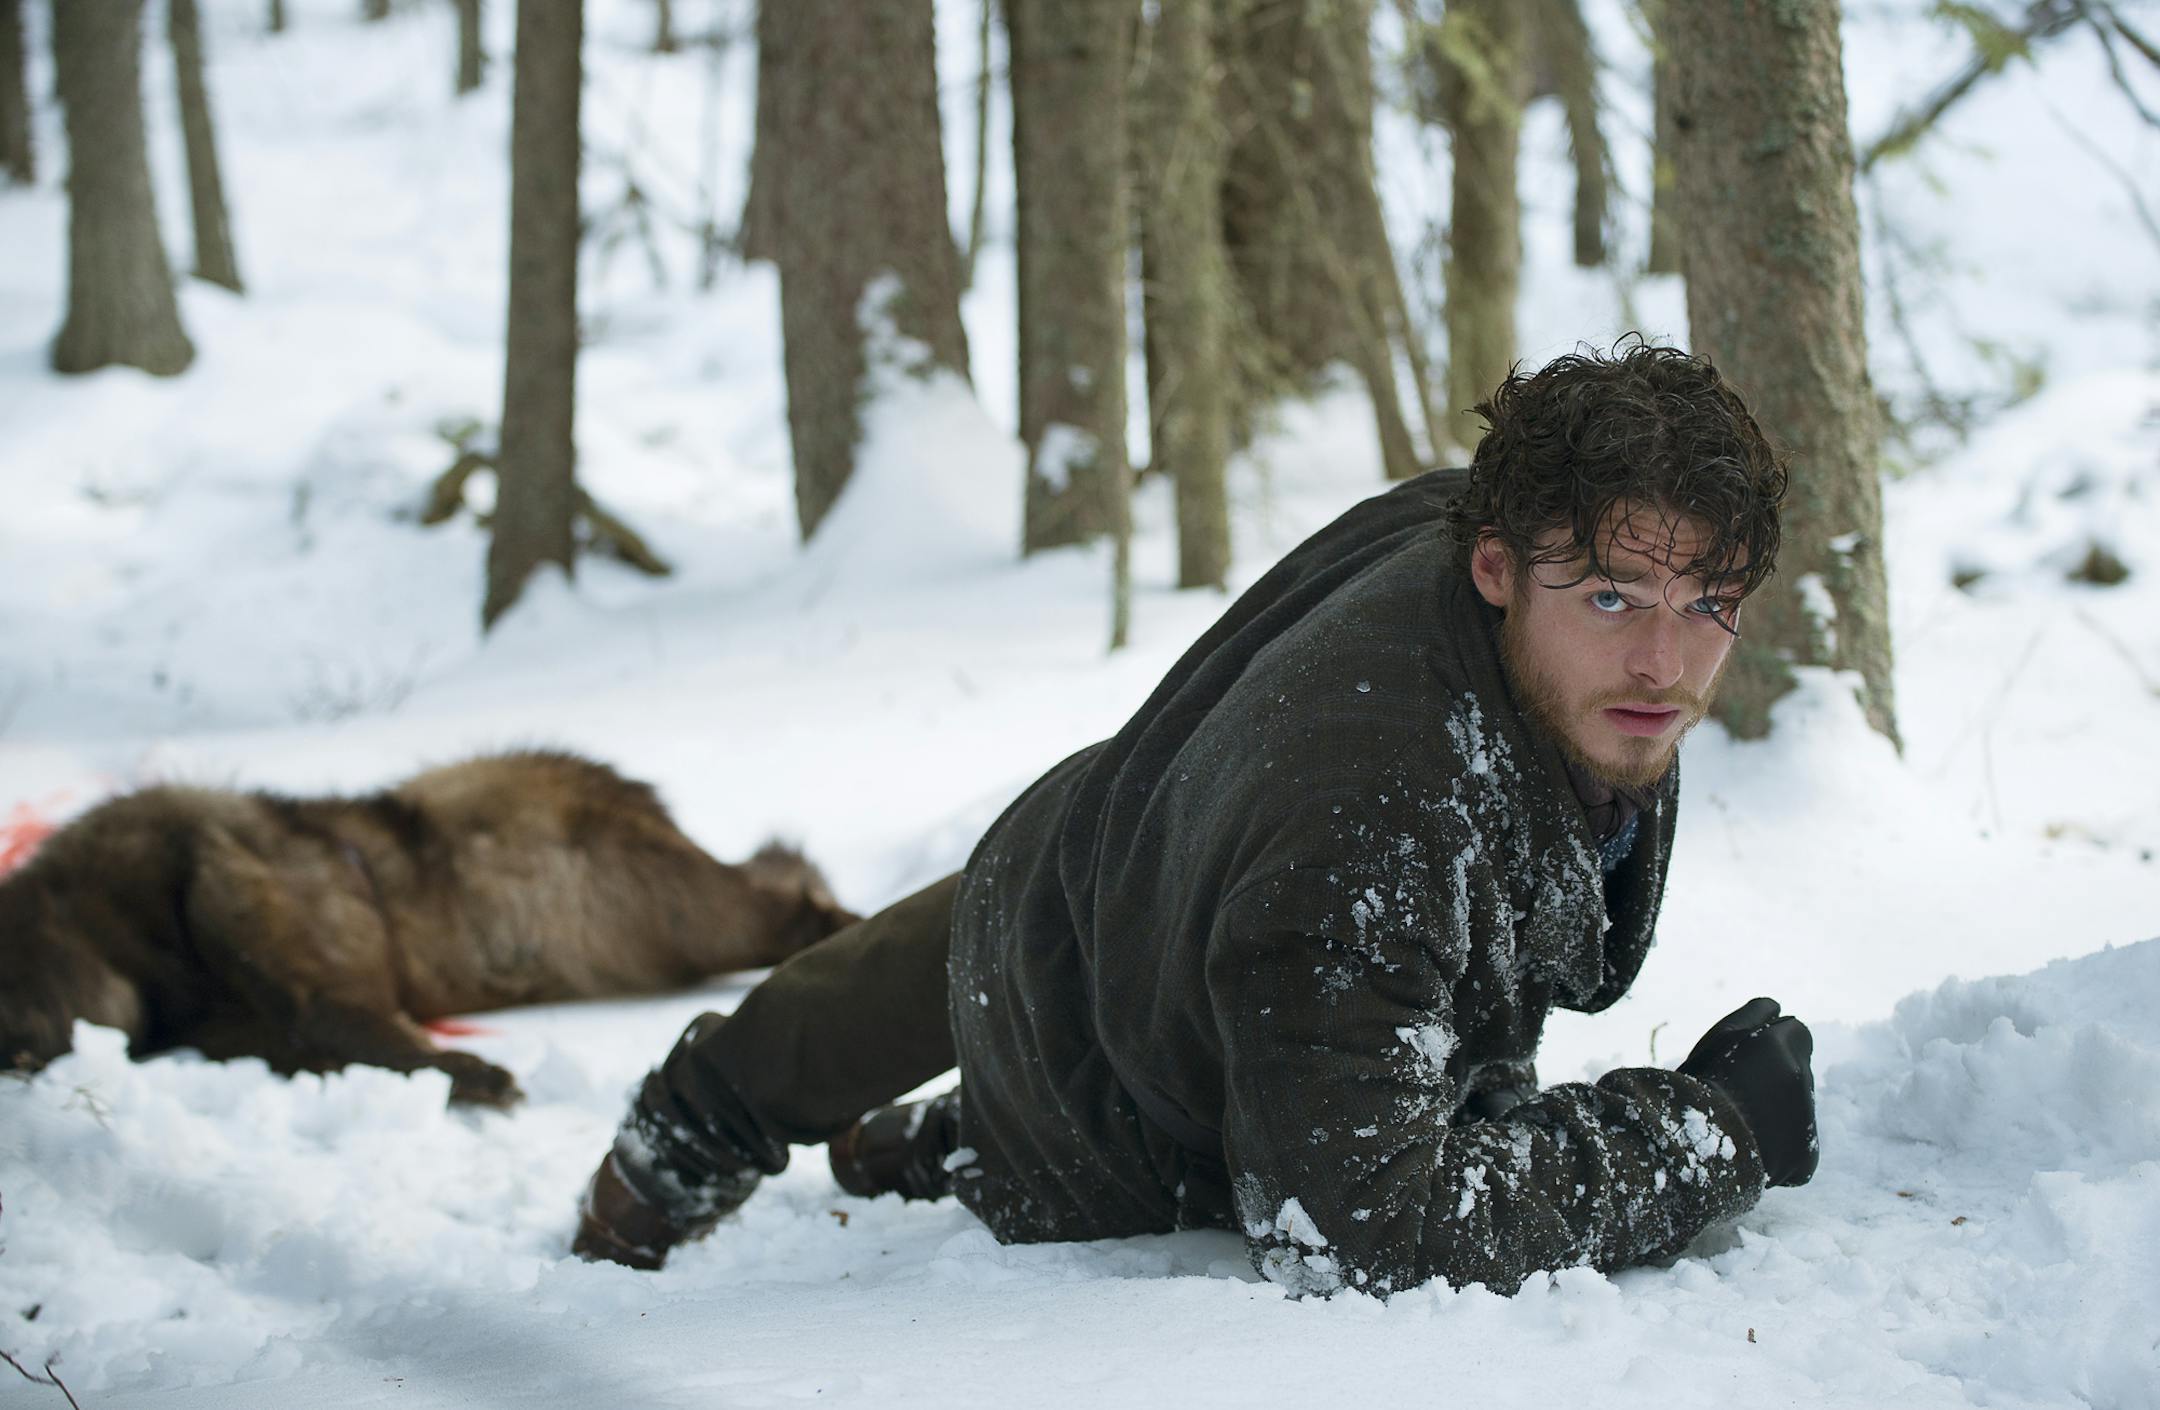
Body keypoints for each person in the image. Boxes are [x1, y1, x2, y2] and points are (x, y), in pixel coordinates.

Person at [571, 341, 1820, 1295]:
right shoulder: (1371, 832)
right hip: (1114, 1081)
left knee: (979, 973)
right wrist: (1706, 1134)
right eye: (1612, 598)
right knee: (1081, 1101)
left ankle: (877, 1140)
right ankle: (811, 1150)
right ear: (1496, 567)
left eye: (1710, 604)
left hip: (1123, 836)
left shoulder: (1506, 540)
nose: (1664, 662)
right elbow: (1357, 1228)